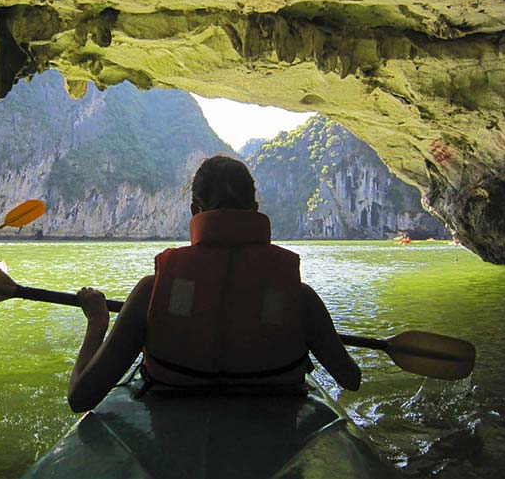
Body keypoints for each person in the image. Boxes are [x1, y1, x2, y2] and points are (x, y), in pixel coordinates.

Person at [67, 155, 361, 413]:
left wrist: (97, 322)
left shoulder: (151, 292)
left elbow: (80, 398)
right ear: (255, 209)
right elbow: (350, 379)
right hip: (269, 431)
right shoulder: (299, 298)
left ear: (196, 210)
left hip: (175, 444)